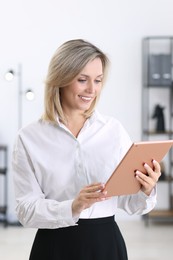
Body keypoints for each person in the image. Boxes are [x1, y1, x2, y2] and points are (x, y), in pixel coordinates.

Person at [12, 39, 161, 260]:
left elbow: (131, 204)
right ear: (60, 79)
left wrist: (146, 190)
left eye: (98, 80)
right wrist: (73, 206)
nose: (92, 90)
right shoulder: (29, 138)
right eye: (82, 80)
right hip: (54, 247)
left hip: (107, 245)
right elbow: (26, 210)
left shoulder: (113, 131)